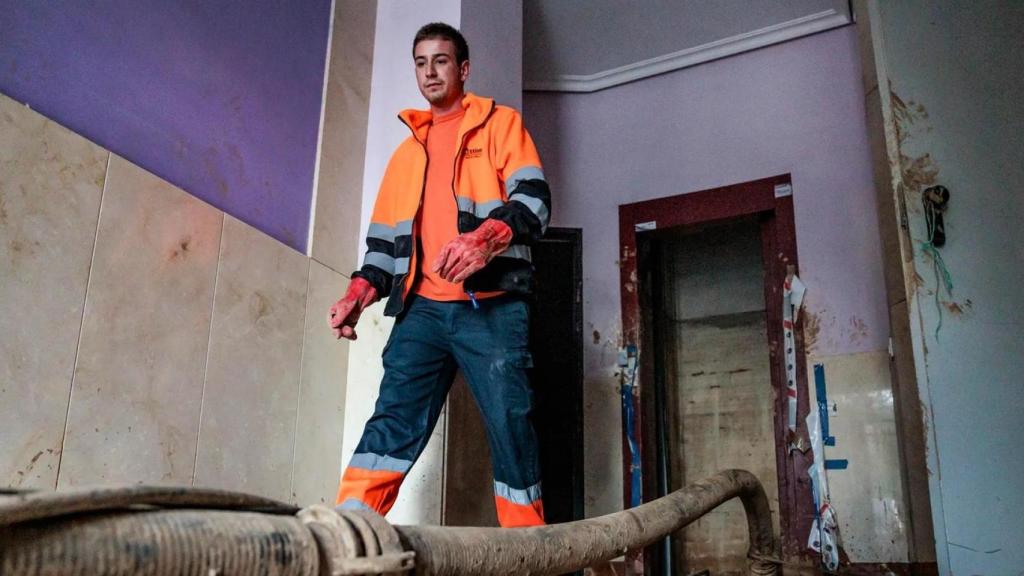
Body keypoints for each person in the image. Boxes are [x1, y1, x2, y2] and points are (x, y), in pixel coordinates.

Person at [327, 22, 551, 528]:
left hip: (490, 305)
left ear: (463, 68)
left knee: (510, 423)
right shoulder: (406, 155)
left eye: (441, 60)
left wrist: (485, 240)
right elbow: (384, 248)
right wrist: (358, 292)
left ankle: (530, 545)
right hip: (422, 312)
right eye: (421, 62)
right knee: (391, 421)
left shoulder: (500, 125)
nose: (430, 72)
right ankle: (349, 531)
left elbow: (535, 203)